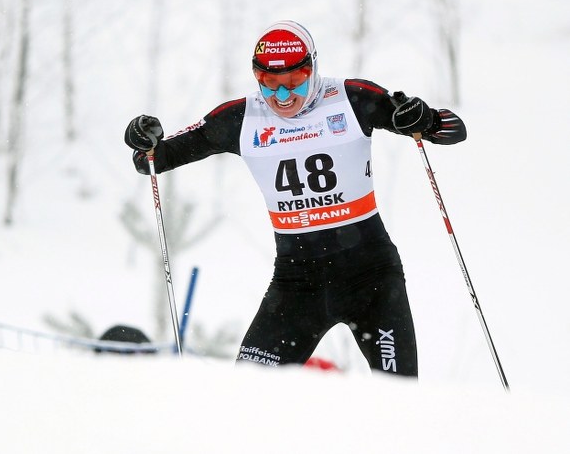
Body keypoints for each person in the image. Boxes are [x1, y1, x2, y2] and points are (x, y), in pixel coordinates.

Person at [123, 20, 467, 377]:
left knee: (401, 398)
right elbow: (152, 160)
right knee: (246, 393)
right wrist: (143, 140)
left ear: (313, 68)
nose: (282, 97)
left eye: (294, 81)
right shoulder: (241, 118)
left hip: (372, 278)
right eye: (269, 84)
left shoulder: (352, 98)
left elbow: (451, 129)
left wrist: (424, 119)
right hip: (297, 285)